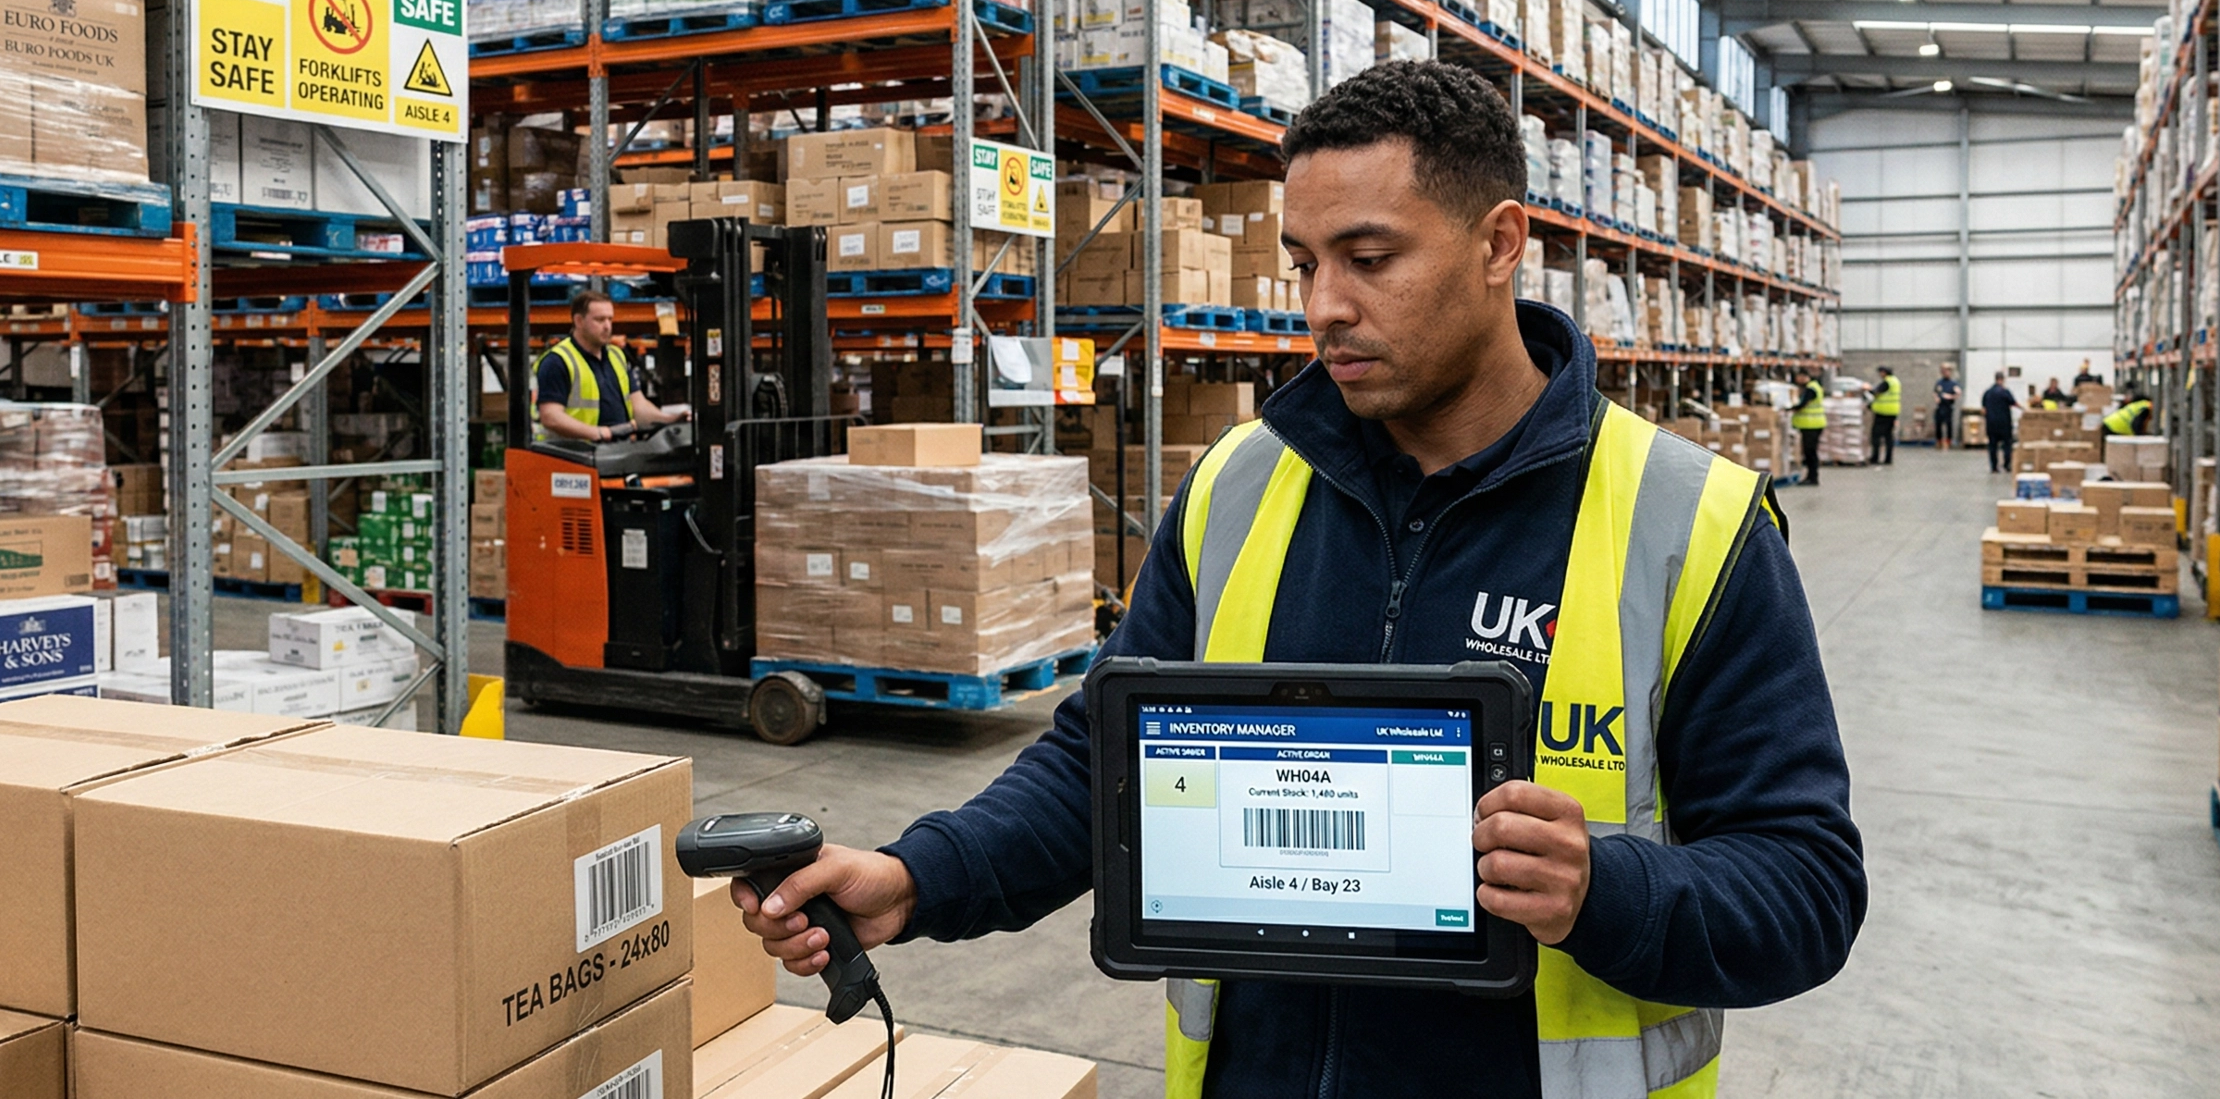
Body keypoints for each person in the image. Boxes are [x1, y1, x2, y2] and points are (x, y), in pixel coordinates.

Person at [731, 61, 1865, 1099]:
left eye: (1371, 260)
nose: (1323, 305)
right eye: (1306, 265)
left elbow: (1806, 883)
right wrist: (916, 876)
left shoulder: (1691, 524)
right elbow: (1102, 764)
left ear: (1500, 241)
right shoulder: (1240, 489)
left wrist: (1607, 893)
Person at [534, 290, 689, 442]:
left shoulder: (617, 356)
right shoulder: (557, 361)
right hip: (575, 458)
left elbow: (639, 407)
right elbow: (551, 417)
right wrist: (596, 432)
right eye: (600, 320)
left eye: (610, 319)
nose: (608, 326)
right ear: (579, 321)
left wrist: (670, 420)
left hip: (615, 454)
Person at [1793, 366, 1829, 486]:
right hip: (1811, 424)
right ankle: (1811, 476)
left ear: (1804, 377)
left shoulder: (1811, 389)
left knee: (1810, 451)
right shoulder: (1813, 386)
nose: (1797, 380)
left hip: (1812, 424)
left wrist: (1790, 409)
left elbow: (1802, 404)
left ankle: (1812, 477)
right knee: (1809, 451)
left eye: (1798, 377)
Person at [1981, 373, 2020, 474]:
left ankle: (1994, 467)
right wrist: (2023, 408)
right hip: (2004, 423)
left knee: (1992, 445)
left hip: (1991, 423)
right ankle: (2007, 465)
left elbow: (1983, 409)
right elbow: (2014, 403)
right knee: (2007, 444)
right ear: (2002, 379)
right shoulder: (2005, 392)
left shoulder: (1987, 392)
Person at [1867, 365, 1901, 465]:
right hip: (1892, 412)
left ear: (1884, 372)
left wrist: (1867, 388)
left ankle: (1875, 458)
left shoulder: (1887, 382)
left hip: (1883, 413)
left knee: (1876, 435)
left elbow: (1876, 392)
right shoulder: (1895, 381)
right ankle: (1888, 459)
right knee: (1888, 436)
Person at [1932, 362, 1960, 450]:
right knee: (1938, 424)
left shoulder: (1953, 383)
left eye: (1947, 371)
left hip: (1948, 406)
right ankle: (1939, 441)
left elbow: (1958, 393)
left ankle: (1948, 441)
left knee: (1949, 425)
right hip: (1940, 406)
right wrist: (1936, 397)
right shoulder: (1939, 382)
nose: (1945, 373)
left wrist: (1951, 396)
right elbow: (1935, 392)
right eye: (1943, 371)